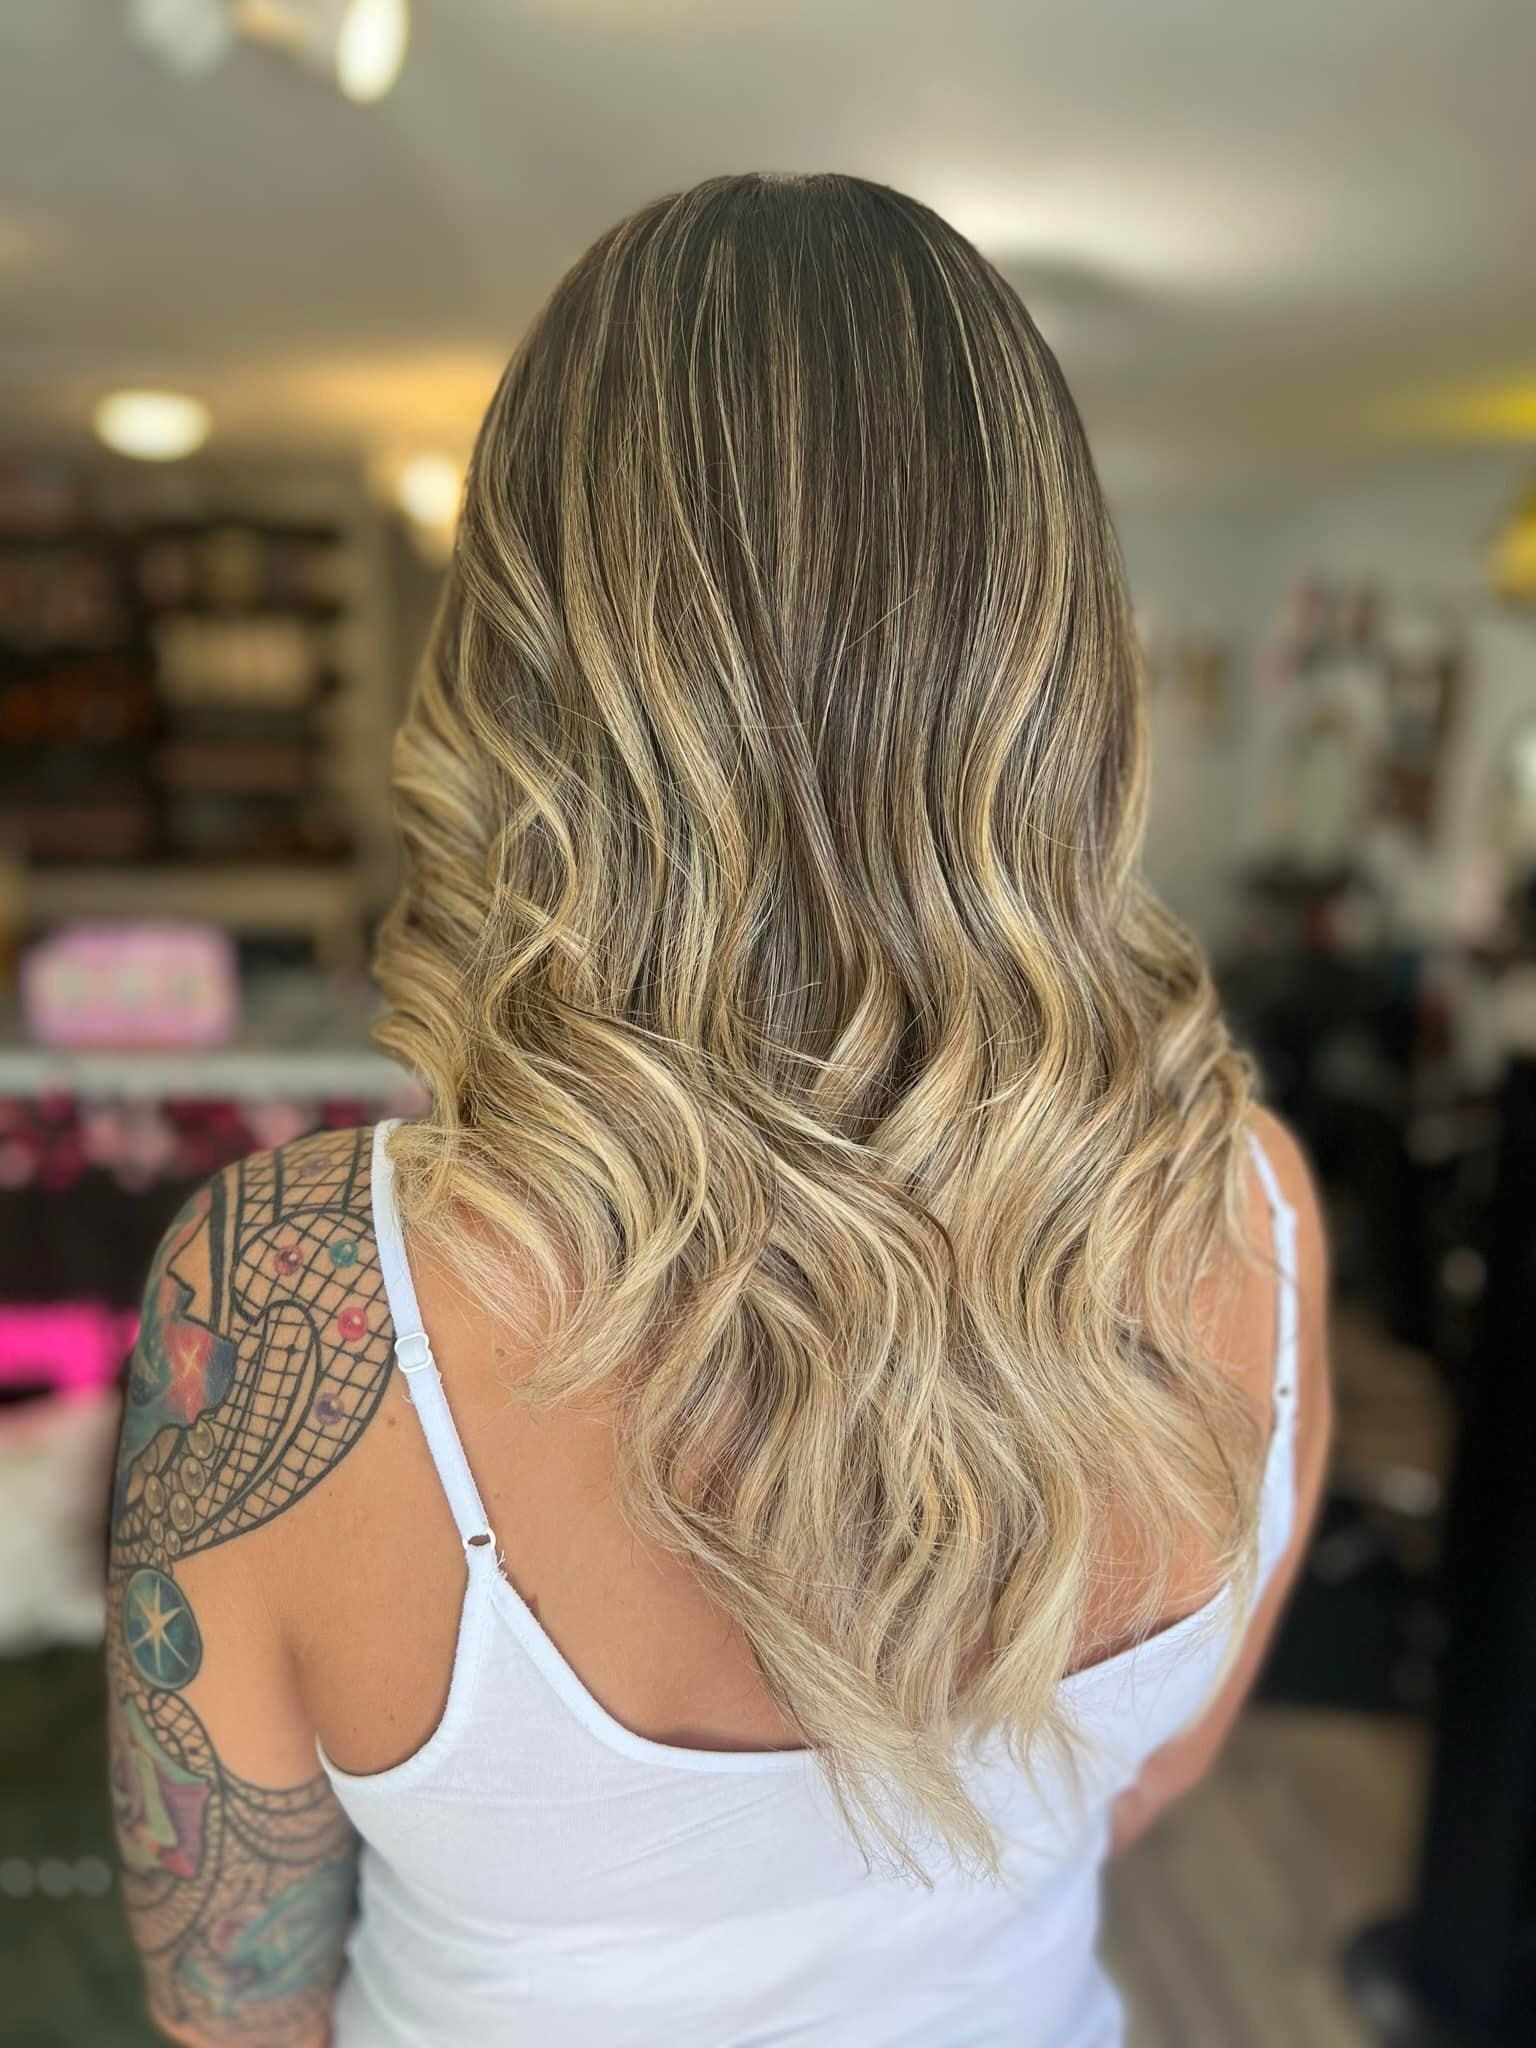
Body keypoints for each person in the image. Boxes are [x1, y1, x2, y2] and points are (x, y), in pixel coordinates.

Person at [107, 172, 1331, 2048]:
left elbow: (230, 2004)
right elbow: (1138, 1790)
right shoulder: (1255, 1207)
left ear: (515, 654)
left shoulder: (293, 1302)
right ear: (1066, 660)